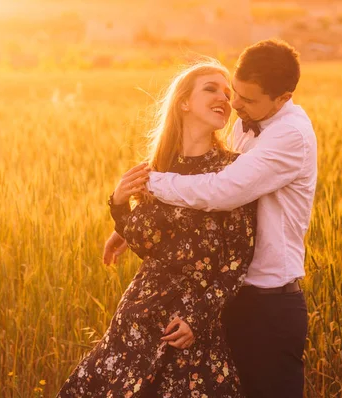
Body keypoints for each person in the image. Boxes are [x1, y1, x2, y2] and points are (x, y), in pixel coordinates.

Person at [104, 39, 317, 398]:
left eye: (247, 100)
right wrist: (129, 219)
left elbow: (221, 193)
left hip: (267, 304)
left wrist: (149, 183)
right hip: (225, 303)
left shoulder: (290, 135)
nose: (235, 104)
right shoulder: (245, 123)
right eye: (236, 93)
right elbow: (195, 223)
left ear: (282, 98)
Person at [57, 59, 257, 398]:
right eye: (211, 88)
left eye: (227, 92)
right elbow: (147, 241)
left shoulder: (232, 169)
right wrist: (119, 204)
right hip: (139, 315)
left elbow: (237, 261)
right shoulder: (157, 169)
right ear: (183, 102)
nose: (224, 97)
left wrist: (197, 318)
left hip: (189, 326)